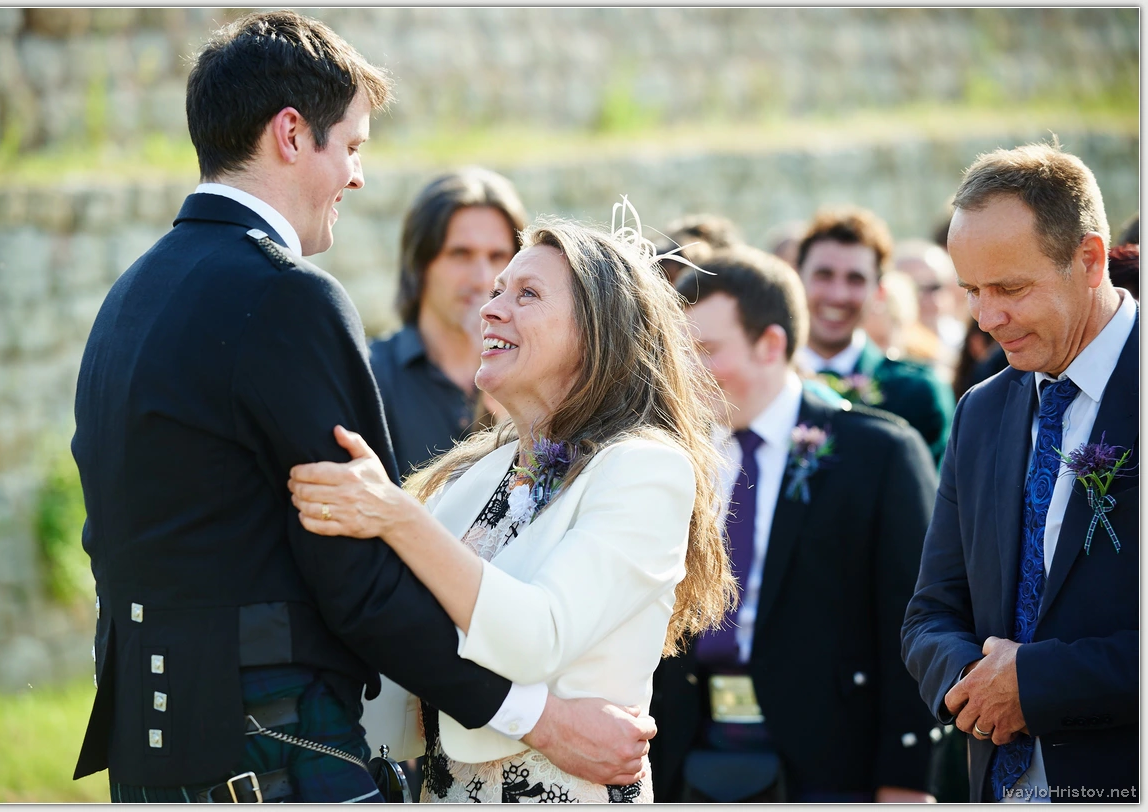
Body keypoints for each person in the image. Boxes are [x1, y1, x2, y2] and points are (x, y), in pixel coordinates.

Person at [70, 11, 654, 803]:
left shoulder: (129, 297)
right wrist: (541, 721)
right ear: (290, 133)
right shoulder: (285, 297)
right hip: (272, 745)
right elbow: (361, 579)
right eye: (351, 146)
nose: (357, 175)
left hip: (152, 754)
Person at [286, 212, 737, 802]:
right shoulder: (476, 473)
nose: (491, 309)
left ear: (598, 331)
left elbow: (536, 636)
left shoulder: (645, 468)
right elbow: (403, 620)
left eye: (526, 294)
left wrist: (396, 515)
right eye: (498, 291)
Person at [649, 246, 938, 803]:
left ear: (771, 344)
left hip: (829, 761)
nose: (686, 373)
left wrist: (905, 777)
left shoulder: (877, 453)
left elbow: (911, 620)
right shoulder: (670, 456)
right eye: (678, 353)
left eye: (706, 351)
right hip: (682, 752)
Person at [902, 142, 1138, 803]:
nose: (986, 318)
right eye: (971, 291)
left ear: (1089, 260)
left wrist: (1034, 685)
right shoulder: (981, 410)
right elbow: (930, 613)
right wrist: (973, 684)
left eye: (1009, 288)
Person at [370, 168, 528, 477]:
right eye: (460, 254)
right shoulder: (369, 377)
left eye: (498, 256)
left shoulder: (538, 373)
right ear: (420, 264)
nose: (483, 279)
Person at [793, 206, 956, 463]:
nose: (837, 295)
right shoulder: (762, 383)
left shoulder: (916, 393)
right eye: (823, 275)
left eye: (855, 279)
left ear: (879, 292)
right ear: (797, 279)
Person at [895, 238, 966, 377]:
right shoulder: (885, 346)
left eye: (934, 287)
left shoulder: (965, 341)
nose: (924, 298)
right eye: (914, 288)